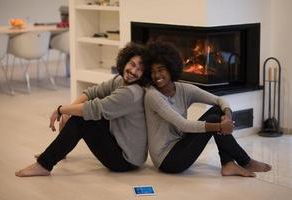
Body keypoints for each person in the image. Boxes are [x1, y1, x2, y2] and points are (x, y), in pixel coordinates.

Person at [15, 42, 148, 177]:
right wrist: (68, 111)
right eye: (132, 64)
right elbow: (92, 92)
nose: (133, 71)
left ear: (144, 75)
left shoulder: (131, 93)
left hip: (126, 160)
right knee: (81, 114)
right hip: (121, 143)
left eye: (140, 69)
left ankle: (44, 164)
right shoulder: (120, 80)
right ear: (125, 62)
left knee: (82, 119)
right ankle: (58, 152)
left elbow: (93, 108)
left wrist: (62, 110)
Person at [142, 41, 271, 177]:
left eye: (161, 69)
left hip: (180, 145)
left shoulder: (183, 89)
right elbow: (183, 125)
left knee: (218, 110)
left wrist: (228, 117)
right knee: (215, 119)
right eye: (152, 72)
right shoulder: (153, 95)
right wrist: (220, 126)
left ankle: (228, 163)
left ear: (171, 67)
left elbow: (219, 100)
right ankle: (245, 161)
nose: (156, 75)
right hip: (167, 161)